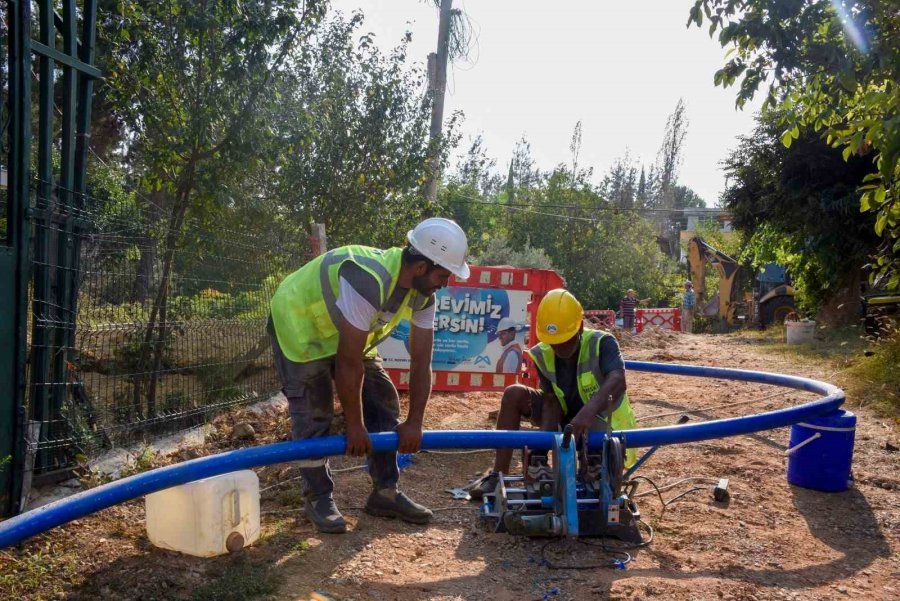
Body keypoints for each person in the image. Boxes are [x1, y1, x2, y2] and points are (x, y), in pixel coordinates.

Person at [268, 217, 470, 533]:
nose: (445, 283)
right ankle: (318, 497)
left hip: (345, 333)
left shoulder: (423, 295)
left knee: (382, 400)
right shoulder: (368, 279)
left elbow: (421, 361)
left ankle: (385, 492)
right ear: (420, 267)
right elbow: (349, 363)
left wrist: (415, 421)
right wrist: (354, 426)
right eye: (443, 275)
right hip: (300, 324)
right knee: (313, 414)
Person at [470, 289, 637, 498]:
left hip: (603, 422)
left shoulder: (602, 343)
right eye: (554, 341)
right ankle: (498, 475)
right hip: (566, 418)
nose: (559, 347)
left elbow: (618, 380)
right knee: (514, 394)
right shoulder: (543, 353)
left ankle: (596, 465)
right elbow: (551, 401)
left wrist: (586, 414)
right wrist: (539, 452)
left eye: (565, 340)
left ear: (580, 327)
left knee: (597, 483)